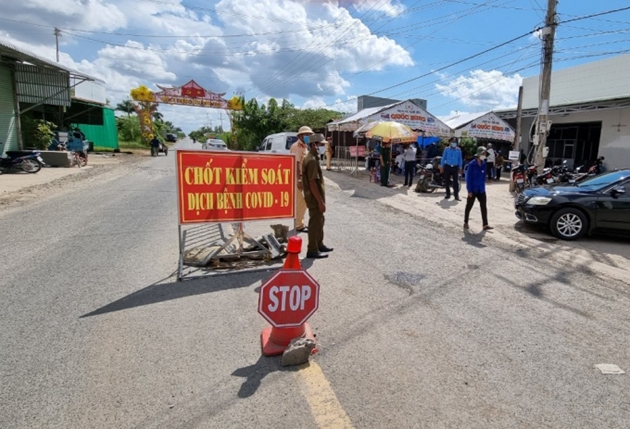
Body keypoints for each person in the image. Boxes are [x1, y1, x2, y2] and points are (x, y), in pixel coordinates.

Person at [302, 133, 333, 259]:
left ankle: (319, 244)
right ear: (314, 145)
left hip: (314, 197)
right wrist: (320, 202)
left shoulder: (313, 158)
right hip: (314, 198)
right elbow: (312, 183)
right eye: (321, 145)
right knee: (315, 223)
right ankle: (312, 249)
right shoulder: (312, 161)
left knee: (320, 221)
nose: (323, 147)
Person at [464, 146, 493, 231]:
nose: (484, 156)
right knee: (469, 206)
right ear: (479, 154)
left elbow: (484, 176)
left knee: (484, 206)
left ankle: (485, 224)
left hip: (481, 189)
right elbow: (468, 178)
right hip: (473, 189)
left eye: (485, 154)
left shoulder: (484, 164)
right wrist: (469, 190)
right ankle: (466, 222)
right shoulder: (472, 164)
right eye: (483, 154)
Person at [291, 126, 313, 233]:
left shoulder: (304, 147)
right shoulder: (297, 147)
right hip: (298, 178)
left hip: (304, 177)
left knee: (303, 202)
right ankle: (299, 225)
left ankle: (301, 223)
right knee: (300, 202)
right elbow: (296, 163)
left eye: (309, 135)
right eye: (306, 135)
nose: (308, 136)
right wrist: (299, 180)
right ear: (300, 136)